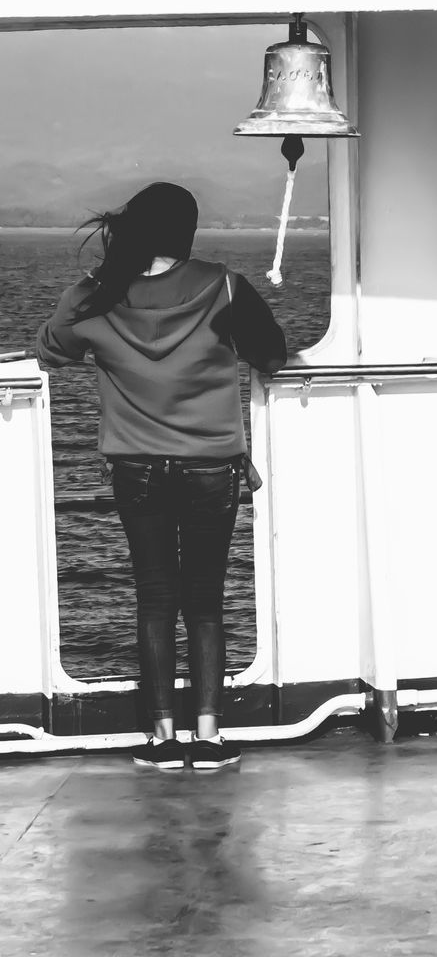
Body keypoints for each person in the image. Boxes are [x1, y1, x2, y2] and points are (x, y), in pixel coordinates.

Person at [36, 182, 286, 770]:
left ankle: (160, 739)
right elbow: (272, 355)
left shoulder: (94, 296)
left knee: (154, 599)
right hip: (211, 468)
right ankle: (209, 736)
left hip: (137, 469)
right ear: (189, 231)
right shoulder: (225, 287)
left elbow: (51, 348)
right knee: (204, 603)